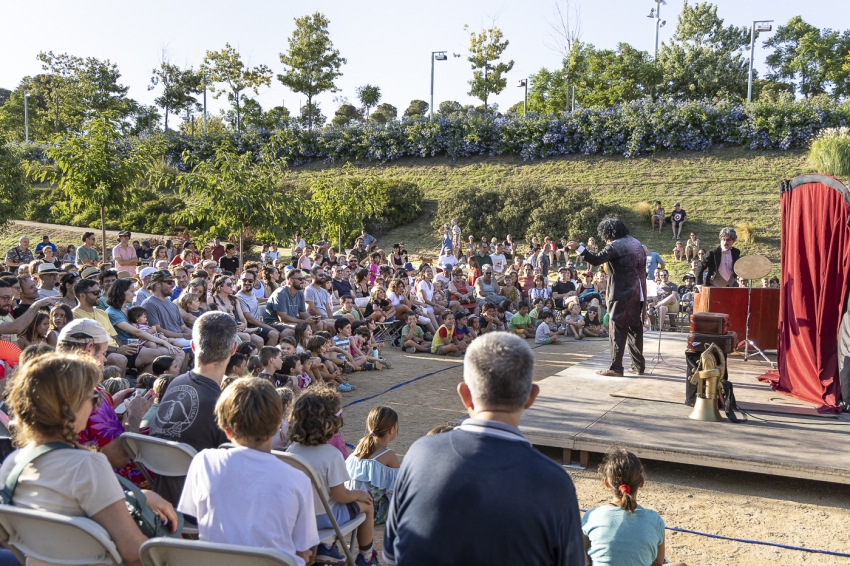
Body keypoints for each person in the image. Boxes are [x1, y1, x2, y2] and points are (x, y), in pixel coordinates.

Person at [383, 332, 584, 565]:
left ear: (465, 394)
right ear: (530, 397)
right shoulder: (555, 483)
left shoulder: (419, 455)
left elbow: (391, 557)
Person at [0, 354, 178, 565]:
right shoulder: (88, 465)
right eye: (93, 399)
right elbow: (134, 553)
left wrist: (138, 496)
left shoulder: (14, 464)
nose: (95, 407)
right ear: (70, 407)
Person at [178, 378, 319, 565]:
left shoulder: (203, 462)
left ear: (226, 430)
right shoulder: (298, 479)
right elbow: (304, 550)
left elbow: (192, 522)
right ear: (279, 423)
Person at [150, 311, 236, 505]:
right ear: (233, 349)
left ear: (193, 346)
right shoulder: (223, 406)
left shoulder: (175, 383)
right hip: (201, 508)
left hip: (163, 498)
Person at [287, 386, 379, 565]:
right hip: (326, 518)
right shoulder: (331, 454)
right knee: (367, 505)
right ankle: (366, 556)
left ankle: (325, 545)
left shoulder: (291, 450)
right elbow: (341, 495)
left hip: (299, 518)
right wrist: (360, 494)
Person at [568, 218, 647, 377]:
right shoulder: (635, 242)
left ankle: (616, 368)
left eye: (604, 235)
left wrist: (578, 248)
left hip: (622, 293)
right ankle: (638, 366)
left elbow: (596, 259)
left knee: (617, 329)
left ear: (609, 233)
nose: (604, 239)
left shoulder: (616, 245)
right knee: (635, 329)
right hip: (639, 292)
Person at [582, 449, 687, 566]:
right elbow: (658, 562)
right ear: (641, 482)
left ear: (606, 483)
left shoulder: (591, 516)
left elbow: (584, 555)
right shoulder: (655, 520)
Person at [346, 406, 400, 526]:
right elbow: (401, 484)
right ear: (392, 430)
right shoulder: (389, 455)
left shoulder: (359, 448)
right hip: (373, 511)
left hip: (352, 506)